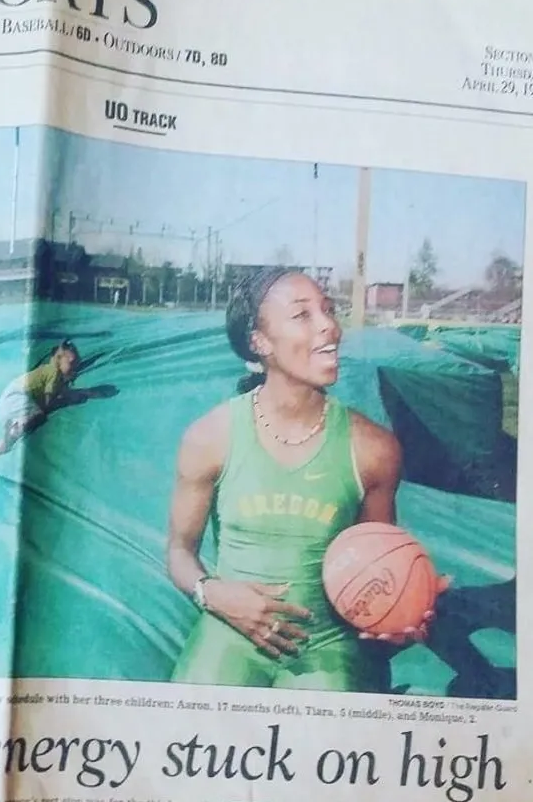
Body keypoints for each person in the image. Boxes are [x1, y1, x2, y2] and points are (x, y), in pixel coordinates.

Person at [166, 267, 447, 692]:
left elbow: (380, 560)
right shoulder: (210, 437)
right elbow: (179, 551)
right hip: (229, 632)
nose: (330, 326)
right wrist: (213, 594)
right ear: (259, 342)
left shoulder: (373, 448)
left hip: (328, 644)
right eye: (302, 315)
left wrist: (397, 613)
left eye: (329, 310)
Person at [0, 340, 81, 468]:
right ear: (59, 359)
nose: (75, 366)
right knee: (39, 416)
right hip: (16, 396)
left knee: (8, 443)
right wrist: (65, 399)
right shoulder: (53, 372)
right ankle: (18, 427)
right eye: (71, 362)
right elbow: (48, 402)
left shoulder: (50, 371)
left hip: (7, 404)